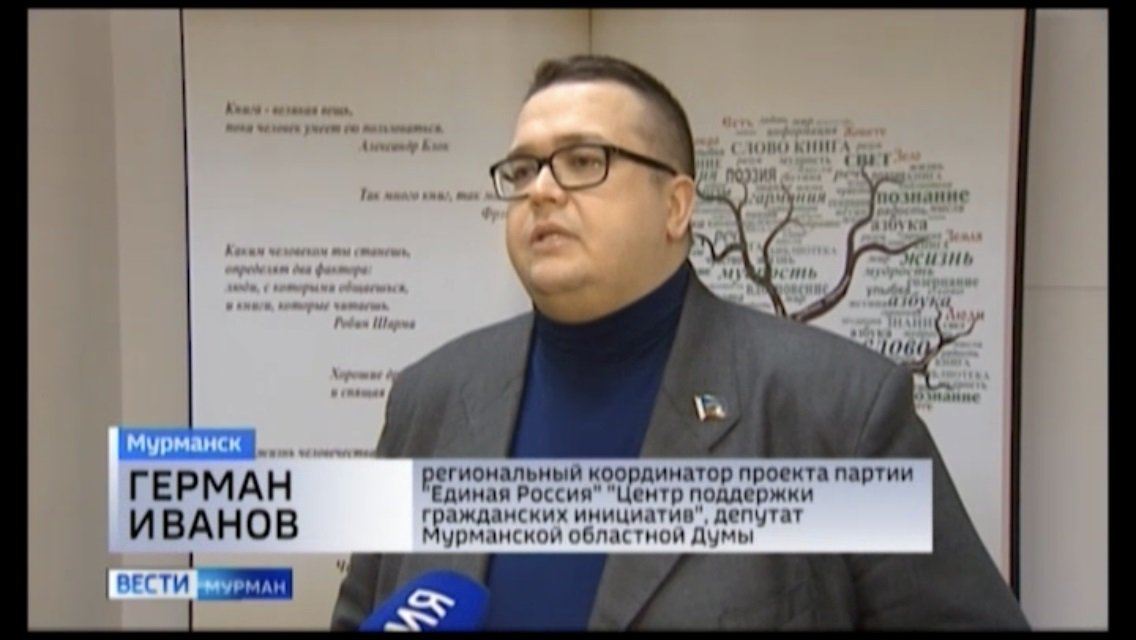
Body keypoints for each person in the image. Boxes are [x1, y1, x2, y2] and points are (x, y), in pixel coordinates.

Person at [330, 54, 1030, 631]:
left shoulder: (837, 408)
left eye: (583, 161)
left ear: (676, 206)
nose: (540, 190)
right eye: (522, 170)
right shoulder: (431, 396)